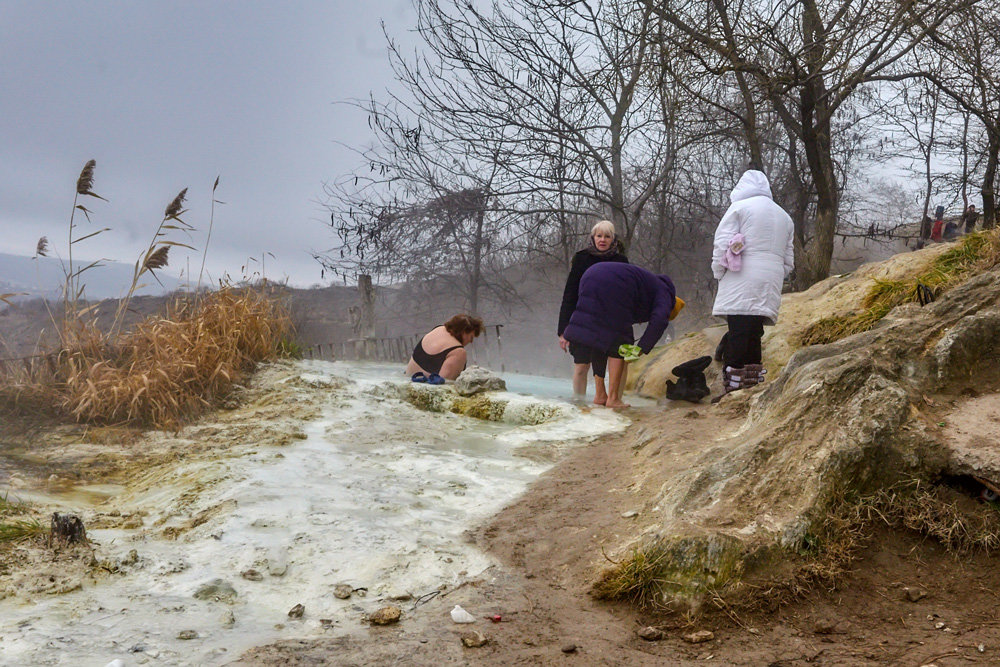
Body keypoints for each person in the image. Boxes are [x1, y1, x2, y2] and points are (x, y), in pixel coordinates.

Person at [711, 169, 795, 400]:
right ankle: (753, 384)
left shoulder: (739, 208)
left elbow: (722, 242)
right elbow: (789, 258)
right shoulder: (784, 216)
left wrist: (719, 272)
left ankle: (733, 388)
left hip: (742, 276)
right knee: (754, 332)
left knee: (738, 329)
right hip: (770, 278)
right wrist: (775, 273)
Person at [562, 262, 679, 409]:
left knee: (598, 337)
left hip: (591, 274)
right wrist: (641, 348)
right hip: (614, 285)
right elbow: (660, 320)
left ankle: (600, 395)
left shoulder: (647, 284)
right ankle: (613, 399)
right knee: (620, 342)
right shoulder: (666, 294)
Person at [556, 220, 629, 404]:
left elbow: (627, 294)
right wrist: (563, 330)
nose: (602, 240)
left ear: (613, 239)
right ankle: (579, 406)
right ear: (593, 238)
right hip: (583, 320)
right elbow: (569, 294)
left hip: (612, 322)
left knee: (618, 363)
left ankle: (615, 402)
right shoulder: (581, 258)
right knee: (581, 366)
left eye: (607, 236)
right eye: (599, 236)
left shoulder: (621, 261)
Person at [406, 314, 484, 381]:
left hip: (408, 379)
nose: (471, 341)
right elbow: (447, 385)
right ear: (464, 332)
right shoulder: (458, 352)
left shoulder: (437, 329)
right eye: (471, 337)